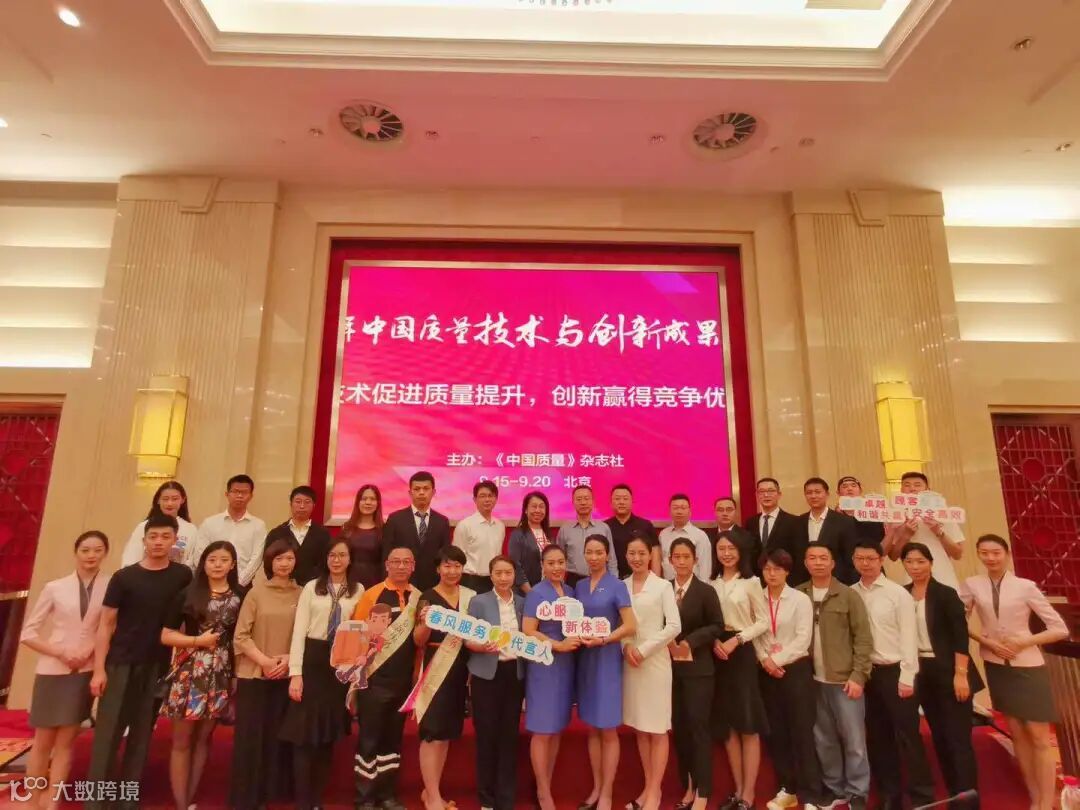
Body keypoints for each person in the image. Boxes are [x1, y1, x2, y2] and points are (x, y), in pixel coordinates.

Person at [87, 514, 193, 810]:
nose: (158, 542)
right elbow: (106, 624)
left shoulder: (182, 576)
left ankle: (127, 801)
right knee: (107, 736)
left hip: (157, 665)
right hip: (120, 663)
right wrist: (98, 670)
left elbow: (185, 621)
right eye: (153, 537)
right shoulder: (124, 577)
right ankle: (96, 803)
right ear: (144, 540)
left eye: (165, 537)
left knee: (141, 736)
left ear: (175, 541)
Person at [961, 534, 1068, 810]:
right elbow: (958, 621)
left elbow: (1059, 629)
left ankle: (1046, 801)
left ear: (1007, 554)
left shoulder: (1025, 586)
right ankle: (1034, 797)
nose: (990, 558)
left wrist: (1024, 642)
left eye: (996, 552)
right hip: (996, 665)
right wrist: (986, 641)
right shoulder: (973, 584)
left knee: (1038, 736)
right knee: (1018, 734)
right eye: (984, 552)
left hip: (1028, 665)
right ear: (978, 554)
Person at [20, 530, 111, 809]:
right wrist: (60, 652)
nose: (91, 555)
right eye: (85, 550)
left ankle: (53, 802)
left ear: (105, 553)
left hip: (84, 671)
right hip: (52, 670)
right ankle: (32, 801)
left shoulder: (110, 586)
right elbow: (28, 633)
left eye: (97, 550)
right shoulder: (55, 587)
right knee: (43, 741)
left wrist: (89, 653)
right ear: (76, 552)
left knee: (66, 743)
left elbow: (110, 628)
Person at [159, 540, 244, 810]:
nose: (217, 565)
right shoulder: (188, 593)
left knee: (204, 738)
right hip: (189, 670)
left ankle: (191, 797)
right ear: (203, 564)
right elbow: (166, 635)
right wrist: (197, 642)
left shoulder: (241, 595)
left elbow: (240, 638)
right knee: (182, 741)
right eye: (212, 560)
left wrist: (234, 675)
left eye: (223, 560)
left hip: (221, 672)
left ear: (232, 565)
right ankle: (181, 803)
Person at [280, 540, 364, 810]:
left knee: (327, 736)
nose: (336, 560)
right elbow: (298, 631)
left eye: (342, 555)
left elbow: (360, 633)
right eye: (332, 555)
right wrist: (296, 673)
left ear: (350, 559)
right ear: (326, 559)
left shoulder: (358, 590)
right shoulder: (311, 587)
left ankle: (316, 800)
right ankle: (303, 802)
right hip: (312, 661)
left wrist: (353, 678)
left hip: (340, 664)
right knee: (305, 737)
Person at [851, 541, 934, 810]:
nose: (865, 563)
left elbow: (910, 636)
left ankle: (922, 798)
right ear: (853, 561)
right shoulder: (851, 593)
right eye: (860, 558)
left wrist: (907, 676)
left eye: (871, 558)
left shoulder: (897, 593)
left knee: (908, 736)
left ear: (881, 560)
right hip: (867, 674)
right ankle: (890, 796)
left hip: (896, 672)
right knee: (878, 737)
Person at [901, 542, 982, 809]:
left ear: (931, 563)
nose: (915, 567)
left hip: (950, 670)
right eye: (909, 562)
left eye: (921, 561)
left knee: (958, 739)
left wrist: (961, 674)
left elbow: (960, 637)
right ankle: (953, 795)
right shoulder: (903, 594)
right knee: (939, 736)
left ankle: (968, 802)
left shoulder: (945, 594)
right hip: (921, 672)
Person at [797, 544, 873, 810]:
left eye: (823, 558)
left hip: (844, 680)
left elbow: (863, 639)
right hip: (812, 681)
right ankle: (835, 789)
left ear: (832, 563)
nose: (818, 562)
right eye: (812, 558)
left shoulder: (849, 595)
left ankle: (858, 792)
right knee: (823, 740)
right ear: (805, 563)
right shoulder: (798, 594)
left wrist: (859, 675)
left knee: (854, 741)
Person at [231, 537, 303, 810]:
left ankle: (274, 793)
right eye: (279, 558)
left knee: (277, 739)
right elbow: (241, 636)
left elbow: (305, 634)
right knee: (252, 739)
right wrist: (264, 661)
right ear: (269, 562)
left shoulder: (302, 593)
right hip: (255, 674)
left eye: (289, 558)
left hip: (287, 675)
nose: (284, 564)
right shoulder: (255, 593)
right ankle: (248, 798)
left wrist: (288, 659)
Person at [352, 544, 421, 810]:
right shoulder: (372, 595)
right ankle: (365, 797)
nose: (401, 566)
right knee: (369, 739)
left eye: (406, 562)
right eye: (396, 561)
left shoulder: (418, 597)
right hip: (374, 679)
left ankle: (387, 794)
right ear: (387, 565)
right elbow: (356, 635)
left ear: (413, 566)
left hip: (402, 681)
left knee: (393, 740)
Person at [575, 535, 637, 810]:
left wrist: (604, 639)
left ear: (607, 555)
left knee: (608, 728)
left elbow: (630, 625)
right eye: (589, 552)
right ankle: (596, 788)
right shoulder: (578, 586)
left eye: (599, 552)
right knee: (592, 727)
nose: (593, 557)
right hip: (586, 660)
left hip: (607, 659)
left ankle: (608, 794)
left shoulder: (617, 585)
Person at [412, 546, 476, 810]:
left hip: (460, 667)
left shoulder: (470, 597)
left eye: (457, 566)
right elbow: (418, 640)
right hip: (435, 666)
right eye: (447, 566)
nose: (452, 571)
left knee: (446, 733)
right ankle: (433, 797)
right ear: (438, 568)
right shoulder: (427, 597)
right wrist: (426, 623)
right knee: (432, 733)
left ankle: (432, 792)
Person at [755, 550, 819, 810]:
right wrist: (765, 660)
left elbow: (804, 639)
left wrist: (776, 661)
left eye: (777, 569)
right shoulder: (757, 598)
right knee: (776, 733)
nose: (772, 574)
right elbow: (756, 635)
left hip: (795, 671)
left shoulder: (800, 599)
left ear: (787, 571)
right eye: (767, 569)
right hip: (767, 673)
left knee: (802, 732)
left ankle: (812, 795)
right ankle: (788, 789)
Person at [711, 532, 769, 810]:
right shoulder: (711, 583)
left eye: (731, 548)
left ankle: (749, 794)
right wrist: (714, 640)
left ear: (740, 551)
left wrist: (737, 640)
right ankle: (736, 790)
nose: (726, 553)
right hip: (717, 654)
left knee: (747, 724)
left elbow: (763, 622)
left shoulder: (751, 582)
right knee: (728, 726)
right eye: (721, 548)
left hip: (742, 652)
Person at [622, 533, 681, 810]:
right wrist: (625, 647)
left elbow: (674, 626)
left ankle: (655, 792)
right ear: (625, 556)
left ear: (651, 556)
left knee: (657, 729)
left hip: (654, 662)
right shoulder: (621, 586)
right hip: (630, 663)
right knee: (640, 727)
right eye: (632, 553)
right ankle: (647, 788)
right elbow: (619, 623)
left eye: (641, 553)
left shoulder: (662, 586)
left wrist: (643, 650)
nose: (636, 558)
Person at [523, 545, 582, 810]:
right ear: (542, 566)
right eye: (551, 563)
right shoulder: (536, 593)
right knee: (542, 728)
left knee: (557, 726)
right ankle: (543, 792)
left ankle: (545, 781)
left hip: (566, 665)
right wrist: (557, 645)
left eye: (560, 562)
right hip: (544, 664)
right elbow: (528, 630)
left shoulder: (570, 592)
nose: (557, 567)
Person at [669, 538, 725, 810]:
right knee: (680, 729)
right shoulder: (664, 589)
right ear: (670, 560)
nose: (681, 561)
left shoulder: (705, 591)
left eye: (686, 557)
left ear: (695, 560)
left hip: (699, 670)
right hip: (670, 671)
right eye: (676, 557)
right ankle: (689, 786)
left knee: (698, 728)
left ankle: (704, 790)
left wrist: (691, 641)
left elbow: (717, 625)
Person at [467, 555, 526, 810]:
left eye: (508, 573)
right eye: (498, 573)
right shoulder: (478, 602)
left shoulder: (523, 603)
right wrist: (481, 646)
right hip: (486, 675)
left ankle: (505, 798)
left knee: (509, 736)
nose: (503, 578)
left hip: (514, 674)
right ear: (490, 576)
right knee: (487, 736)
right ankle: (486, 798)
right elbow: (467, 639)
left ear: (514, 575)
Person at [884, 471, 964, 590]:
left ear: (928, 489)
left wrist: (938, 532)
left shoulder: (942, 513)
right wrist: (906, 534)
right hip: (911, 576)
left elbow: (958, 554)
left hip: (943, 574)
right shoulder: (896, 516)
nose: (912, 489)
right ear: (901, 491)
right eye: (907, 485)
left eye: (917, 485)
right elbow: (893, 556)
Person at [381, 471, 451, 591]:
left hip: (433, 584)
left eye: (426, 489)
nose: (421, 492)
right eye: (417, 489)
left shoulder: (442, 522)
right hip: (401, 583)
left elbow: (445, 556)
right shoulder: (395, 519)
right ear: (410, 492)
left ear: (433, 492)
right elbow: (386, 554)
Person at [195, 474, 268, 588]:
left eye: (244, 492)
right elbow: (200, 554)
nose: (239, 496)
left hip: (242, 586)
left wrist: (238, 584)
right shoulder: (209, 523)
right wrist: (213, 579)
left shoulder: (258, 526)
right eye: (235, 491)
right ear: (227, 494)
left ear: (251, 496)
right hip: (209, 584)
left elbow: (256, 559)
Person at [261, 485, 332, 586]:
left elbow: (327, 563)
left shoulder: (323, 534)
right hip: (283, 587)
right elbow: (268, 563)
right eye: (298, 502)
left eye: (307, 502)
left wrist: (314, 585)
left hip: (313, 588)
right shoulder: (276, 533)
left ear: (314, 505)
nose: (302, 506)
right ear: (291, 504)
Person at [121, 480, 199, 568]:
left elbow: (192, 562)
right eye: (165, 499)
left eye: (174, 499)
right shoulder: (144, 526)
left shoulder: (191, 529)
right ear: (158, 500)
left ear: (182, 500)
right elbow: (131, 557)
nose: (169, 503)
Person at [797, 478, 858, 586]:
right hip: (805, 582)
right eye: (809, 493)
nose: (813, 496)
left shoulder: (844, 521)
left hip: (837, 581)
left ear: (827, 494)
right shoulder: (798, 521)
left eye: (818, 492)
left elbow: (849, 556)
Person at [453, 480, 506, 593]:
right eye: (482, 496)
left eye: (490, 496)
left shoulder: (500, 526)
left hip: (493, 581)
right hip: (470, 580)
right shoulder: (465, 525)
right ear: (475, 499)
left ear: (496, 499)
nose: (487, 499)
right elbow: (457, 558)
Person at [557, 485, 616, 587]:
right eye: (579, 499)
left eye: (586, 498)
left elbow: (611, 559)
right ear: (573, 503)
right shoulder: (565, 530)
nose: (583, 502)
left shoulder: (604, 528)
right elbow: (559, 559)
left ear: (593, 502)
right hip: (573, 581)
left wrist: (614, 582)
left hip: (600, 579)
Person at [744, 478, 800, 577]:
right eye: (762, 491)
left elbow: (798, 554)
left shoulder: (793, 522)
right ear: (757, 495)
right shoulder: (751, 522)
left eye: (770, 491)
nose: (766, 495)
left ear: (779, 494)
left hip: (783, 578)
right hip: (756, 579)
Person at [605, 484, 660, 578]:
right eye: (617, 499)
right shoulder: (605, 527)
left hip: (641, 578)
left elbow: (655, 555)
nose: (621, 502)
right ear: (611, 503)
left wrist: (656, 579)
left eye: (625, 499)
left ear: (632, 502)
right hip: (612, 579)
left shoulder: (645, 525)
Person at [508, 491, 556, 593]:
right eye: (534, 506)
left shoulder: (549, 535)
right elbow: (515, 565)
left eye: (541, 507)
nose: (538, 510)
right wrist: (530, 592)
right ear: (526, 510)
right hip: (525, 592)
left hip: (547, 589)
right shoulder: (518, 534)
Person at [341, 483, 385, 589]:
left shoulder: (384, 530)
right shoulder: (346, 528)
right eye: (364, 499)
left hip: (375, 583)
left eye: (372, 499)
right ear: (358, 502)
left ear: (378, 503)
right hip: (348, 582)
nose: (368, 502)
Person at [658, 494, 711, 581]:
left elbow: (705, 567)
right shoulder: (663, 534)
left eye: (683, 508)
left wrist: (703, 587)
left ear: (690, 512)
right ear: (670, 511)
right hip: (668, 586)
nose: (679, 511)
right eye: (675, 508)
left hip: (693, 586)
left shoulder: (700, 536)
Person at [835, 476, 886, 548]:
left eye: (853, 486)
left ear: (860, 490)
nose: (850, 489)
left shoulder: (872, 515)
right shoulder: (834, 517)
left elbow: (880, 540)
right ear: (838, 493)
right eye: (845, 486)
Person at [713, 497, 754, 578]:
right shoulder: (707, 536)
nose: (725, 513)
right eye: (720, 510)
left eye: (729, 510)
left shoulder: (746, 537)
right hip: (712, 580)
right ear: (715, 513)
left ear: (736, 512)